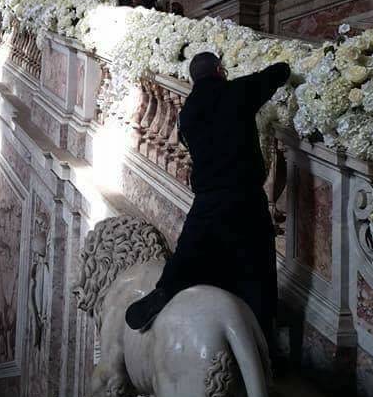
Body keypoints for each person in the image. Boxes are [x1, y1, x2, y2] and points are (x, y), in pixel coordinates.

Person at [125, 51, 291, 351]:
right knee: (258, 269)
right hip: (246, 199)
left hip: (208, 201)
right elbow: (279, 72)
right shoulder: (238, 91)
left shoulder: (187, 113)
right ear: (219, 69)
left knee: (188, 257)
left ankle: (164, 291)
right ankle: (264, 344)